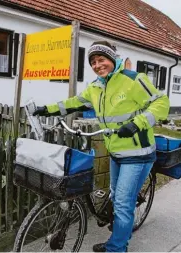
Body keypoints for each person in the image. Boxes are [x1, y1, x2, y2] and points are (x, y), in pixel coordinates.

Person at [33, 41, 170, 252]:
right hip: (116, 153)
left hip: (138, 154)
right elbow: (74, 102)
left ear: (113, 59)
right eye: (93, 62)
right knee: (115, 197)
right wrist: (47, 110)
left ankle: (116, 247)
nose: (97, 65)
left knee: (123, 204)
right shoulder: (95, 87)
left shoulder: (133, 80)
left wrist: (137, 124)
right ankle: (118, 233)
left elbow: (161, 103)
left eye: (101, 59)